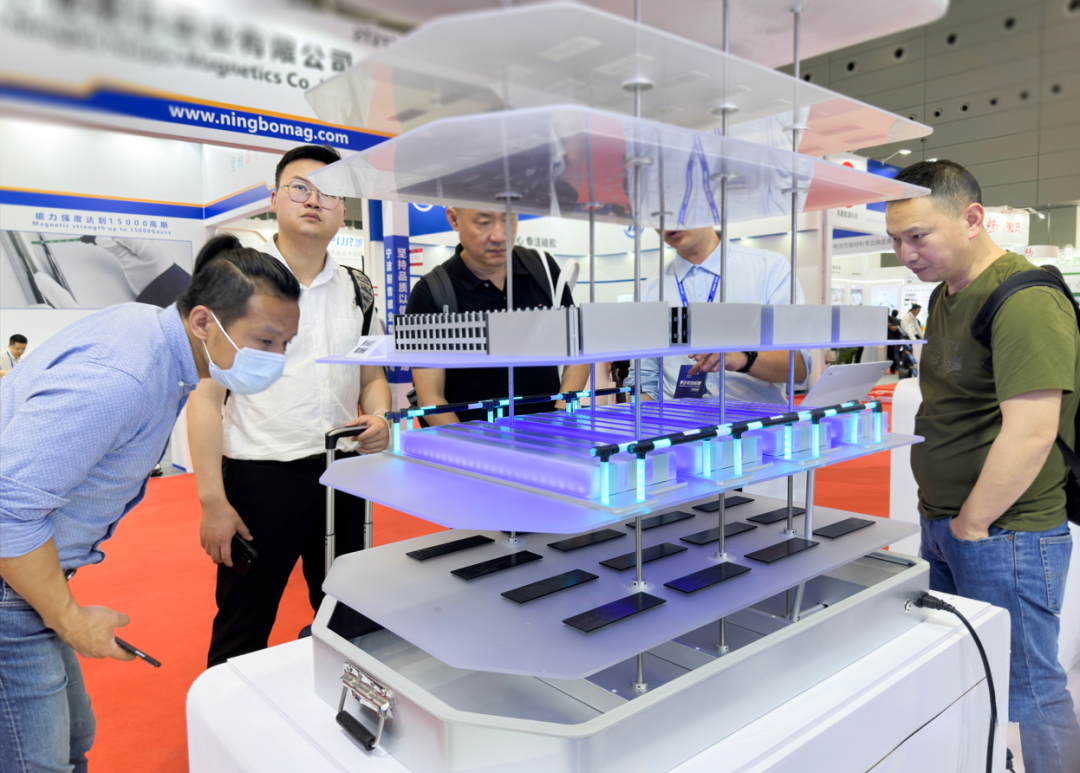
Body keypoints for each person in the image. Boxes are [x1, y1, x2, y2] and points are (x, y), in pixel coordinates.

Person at [0, 237, 300, 773]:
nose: (277, 359)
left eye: (285, 344)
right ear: (204, 321)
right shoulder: (124, 376)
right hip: (11, 582)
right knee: (37, 761)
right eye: (265, 341)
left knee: (71, 741)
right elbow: (7, 510)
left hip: (29, 576)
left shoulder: (154, 339)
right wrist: (70, 620)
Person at [887, 159, 1080, 773]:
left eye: (918, 236)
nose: (905, 254)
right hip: (949, 525)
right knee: (967, 674)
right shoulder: (946, 293)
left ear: (972, 219)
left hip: (1005, 533)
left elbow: (1032, 432)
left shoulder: (1024, 298)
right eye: (895, 240)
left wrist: (971, 525)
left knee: (1031, 688)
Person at [189, 144, 392, 669]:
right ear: (274, 199)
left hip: (343, 473)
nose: (314, 201)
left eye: (329, 193)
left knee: (349, 613)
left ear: (343, 211)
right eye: (300, 188)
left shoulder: (358, 288)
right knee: (243, 623)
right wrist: (213, 501)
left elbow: (371, 376)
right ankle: (224, 713)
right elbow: (206, 395)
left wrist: (380, 417)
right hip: (262, 478)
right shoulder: (236, 281)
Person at [405, 207, 591, 424]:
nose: (499, 235)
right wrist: (468, 444)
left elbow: (578, 351)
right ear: (454, 219)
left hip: (548, 434)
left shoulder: (543, 269)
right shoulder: (430, 293)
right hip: (470, 438)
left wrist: (560, 418)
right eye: (484, 222)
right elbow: (430, 398)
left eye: (508, 221)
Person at [629, 226, 809, 403]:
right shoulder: (650, 290)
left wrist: (745, 359)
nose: (667, 222)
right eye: (656, 214)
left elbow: (800, 367)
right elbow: (644, 379)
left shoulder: (769, 269)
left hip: (752, 419)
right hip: (676, 419)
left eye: (676, 211)